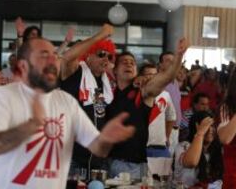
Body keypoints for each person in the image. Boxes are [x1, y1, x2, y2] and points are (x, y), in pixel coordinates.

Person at [0, 38, 134, 189]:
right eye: (44, 55)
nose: (53, 60)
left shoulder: (66, 102)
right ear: (23, 65)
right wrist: (30, 126)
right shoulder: (2, 96)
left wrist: (107, 139)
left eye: (54, 55)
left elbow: (98, 148)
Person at [107, 38, 188, 180]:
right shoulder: (108, 94)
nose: (129, 65)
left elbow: (166, 78)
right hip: (108, 163)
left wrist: (179, 56)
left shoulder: (143, 90)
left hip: (133, 167)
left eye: (132, 63)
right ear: (114, 70)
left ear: (136, 71)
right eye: (124, 62)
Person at [60, 24, 115, 175]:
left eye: (109, 56)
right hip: (71, 156)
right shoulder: (76, 72)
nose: (106, 59)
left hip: (97, 158)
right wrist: (100, 35)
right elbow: (66, 58)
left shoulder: (107, 84)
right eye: (101, 53)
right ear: (88, 56)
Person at [138, 63, 176, 178]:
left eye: (154, 75)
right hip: (139, 149)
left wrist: (166, 137)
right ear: (140, 76)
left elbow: (171, 117)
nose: (152, 77)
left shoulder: (165, 95)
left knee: (162, 183)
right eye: (148, 74)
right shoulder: (135, 94)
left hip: (159, 148)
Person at [174, 111, 223, 189]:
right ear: (196, 126)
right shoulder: (184, 146)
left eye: (212, 126)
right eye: (206, 126)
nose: (210, 129)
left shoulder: (217, 150)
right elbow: (191, 162)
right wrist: (200, 133)